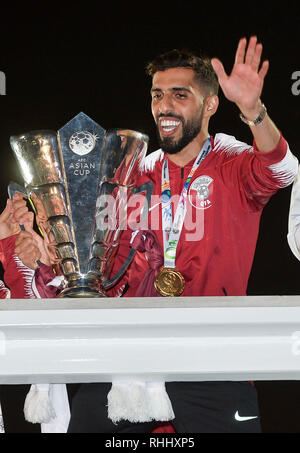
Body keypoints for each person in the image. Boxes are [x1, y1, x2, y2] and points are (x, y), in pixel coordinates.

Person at [13, 36, 298, 433]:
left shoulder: (230, 161)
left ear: (210, 104)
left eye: (179, 95)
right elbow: (106, 275)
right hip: (132, 364)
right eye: (157, 95)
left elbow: (281, 168)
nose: (164, 106)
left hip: (213, 366)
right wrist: (51, 260)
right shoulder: (129, 175)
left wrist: (253, 112)